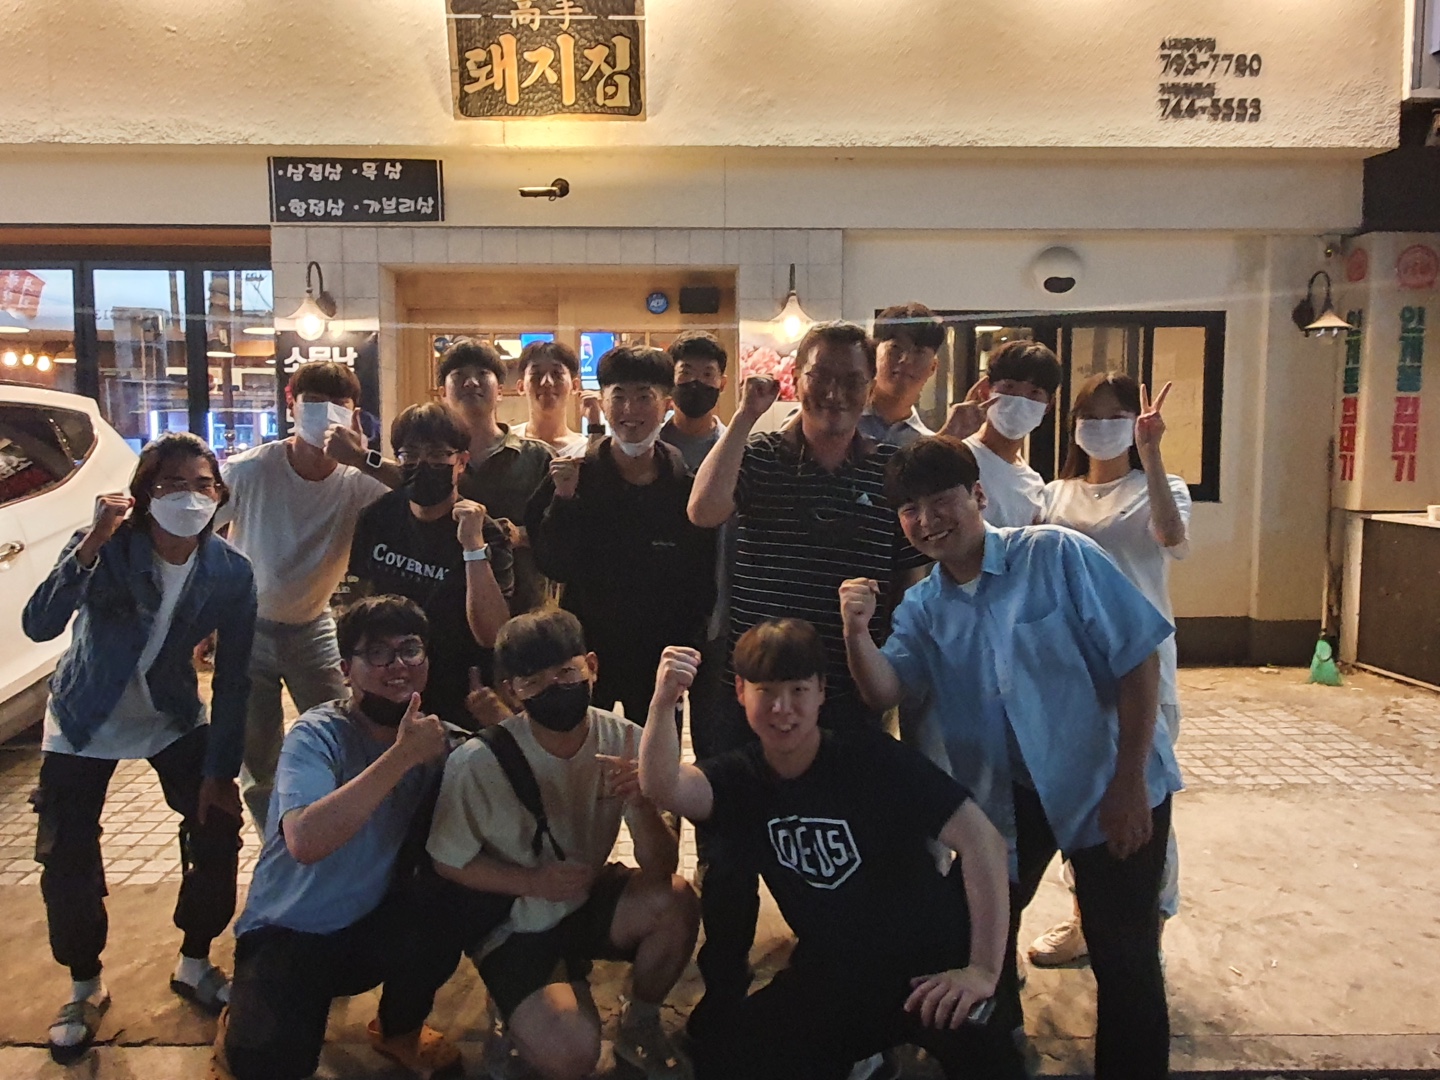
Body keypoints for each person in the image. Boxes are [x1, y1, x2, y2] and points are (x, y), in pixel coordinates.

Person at [841, 435, 1182, 1080]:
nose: (927, 520)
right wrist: (857, 633)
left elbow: (1138, 661)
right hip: (1009, 796)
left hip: (1106, 781)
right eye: (910, 510)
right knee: (972, 935)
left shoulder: (1055, 555)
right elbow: (887, 688)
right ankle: (997, 1058)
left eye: (940, 501)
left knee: (1123, 953)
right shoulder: (924, 606)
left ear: (978, 495)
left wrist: (1130, 782)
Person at [637, 621, 1023, 1080]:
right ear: (740, 691)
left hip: (929, 967)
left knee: (992, 1064)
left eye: (798, 690)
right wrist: (663, 701)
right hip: (836, 973)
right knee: (729, 1057)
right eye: (766, 691)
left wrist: (981, 970)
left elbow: (983, 841)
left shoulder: (870, 758)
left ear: (821, 691)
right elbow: (664, 786)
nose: (782, 709)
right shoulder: (741, 778)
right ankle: (865, 1061)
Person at [686, 321, 931, 1029]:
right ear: (798, 377)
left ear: (870, 385)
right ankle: (724, 990)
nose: (836, 393)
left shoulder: (889, 469)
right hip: (751, 694)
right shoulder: (760, 452)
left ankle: (841, 984)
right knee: (728, 851)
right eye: (822, 376)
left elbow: (912, 580)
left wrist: (896, 667)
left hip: (844, 694)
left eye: (853, 379)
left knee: (843, 844)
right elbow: (704, 510)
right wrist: (744, 416)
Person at [23, 433, 255, 1064]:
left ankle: (194, 961)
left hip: (170, 715)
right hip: (82, 718)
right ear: (144, 494)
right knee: (67, 852)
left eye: (202, 485)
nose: (189, 497)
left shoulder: (229, 571)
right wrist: (91, 544)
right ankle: (84, 987)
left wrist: (221, 772)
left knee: (216, 828)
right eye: (171, 485)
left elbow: (235, 678)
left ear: (219, 495)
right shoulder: (107, 547)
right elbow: (39, 624)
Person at [426, 608, 700, 1080]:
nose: (554, 688)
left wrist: (639, 804)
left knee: (676, 902)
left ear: (591, 666)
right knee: (572, 1054)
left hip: (584, 894)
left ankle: (640, 1022)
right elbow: (447, 862)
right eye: (533, 682)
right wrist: (532, 882)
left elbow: (661, 867)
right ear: (512, 690)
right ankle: (512, 1010)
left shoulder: (625, 740)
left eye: (566, 673)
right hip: (518, 919)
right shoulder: (477, 762)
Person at [217, 596, 463, 1080]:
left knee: (448, 905)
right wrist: (402, 757)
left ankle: (398, 1030)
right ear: (345, 669)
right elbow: (306, 841)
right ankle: (238, 1025)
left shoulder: (437, 741)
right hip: (289, 931)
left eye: (410, 649)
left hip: (369, 925)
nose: (397, 665)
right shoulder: (318, 735)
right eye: (378, 653)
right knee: (269, 1064)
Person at [1029, 374, 1191, 966]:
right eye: (1089, 416)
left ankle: (1147, 925)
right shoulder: (1053, 494)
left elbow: (1171, 536)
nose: (1100, 426)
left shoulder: (1160, 487)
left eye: (1114, 415)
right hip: (1072, 676)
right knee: (1081, 801)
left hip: (1145, 672)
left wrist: (1151, 452)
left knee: (1144, 799)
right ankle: (1084, 919)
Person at [217, 361, 389, 829]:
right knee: (258, 755)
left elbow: (418, 497)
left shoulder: (356, 481)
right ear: (291, 405)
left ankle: (332, 832)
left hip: (313, 626)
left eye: (338, 404)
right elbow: (197, 532)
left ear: (354, 415)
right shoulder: (249, 470)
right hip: (248, 628)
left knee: (342, 733)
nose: (324, 413)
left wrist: (363, 457)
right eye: (313, 402)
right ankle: (278, 842)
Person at [525, 345, 716, 724]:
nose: (630, 410)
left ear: (667, 405)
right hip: (587, 657)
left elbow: (701, 580)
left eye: (644, 397)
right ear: (603, 403)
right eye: (619, 397)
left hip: (660, 661)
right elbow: (552, 564)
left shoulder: (685, 489)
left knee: (655, 754)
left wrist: (689, 649)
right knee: (584, 750)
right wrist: (564, 501)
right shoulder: (572, 477)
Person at [345, 402, 514, 729]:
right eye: (410, 455)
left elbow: (492, 634)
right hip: (389, 684)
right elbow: (356, 603)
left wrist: (472, 549)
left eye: (437, 455)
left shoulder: (485, 532)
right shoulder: (377, 517)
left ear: (461, 461)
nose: (423, 465)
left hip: (462, 692)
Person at [443, 339, 557, 615]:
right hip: (448, 610)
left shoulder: (539, 457)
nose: (471, 382)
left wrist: (520, 534)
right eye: (459, 375)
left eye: (482, 374)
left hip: (526, 615)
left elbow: (562, 534)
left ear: (501, 391)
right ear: (442, 393)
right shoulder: (435, 461)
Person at [953, 339, 1060, 527]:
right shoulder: (958, 455)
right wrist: (950, 434)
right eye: (1010, 387)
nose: (1020, 400)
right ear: (986, 390)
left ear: (1048, 406)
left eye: (1034, 392)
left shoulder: (1033, 485)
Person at [859, 302, 943, 448]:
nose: (906, 360)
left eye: (919, 352)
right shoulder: (843, 421)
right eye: (896, 348)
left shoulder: (927, 443)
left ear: (933, 367)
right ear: (873, 354)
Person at [513, 340, 598, 458]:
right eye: (537, 374)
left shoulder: (584, 450)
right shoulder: (507, 444)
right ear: (521, 387)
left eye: (557, 374)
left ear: (575, 386)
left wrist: (595, 424)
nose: (547, 382)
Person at [660, 330, 729, 472]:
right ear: (669, 380)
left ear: (722, 384)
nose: (696, 382)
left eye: (707, 374)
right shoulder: (650, 448)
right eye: (686, 373)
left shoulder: (736, 449)